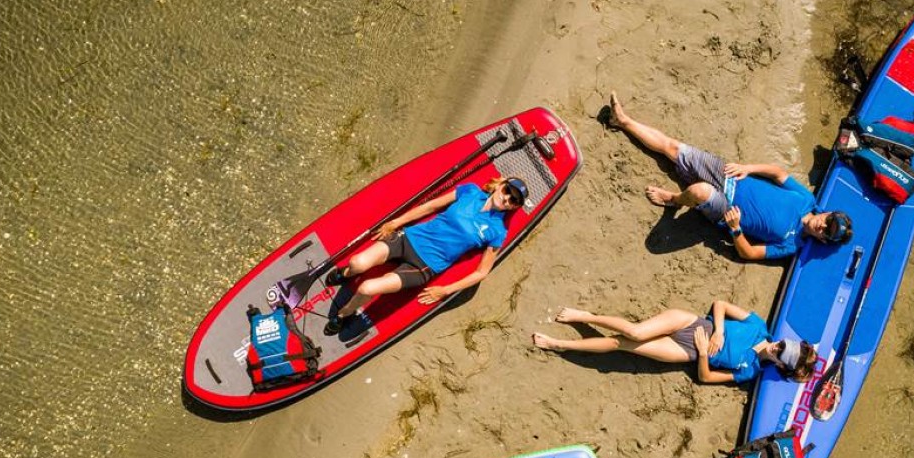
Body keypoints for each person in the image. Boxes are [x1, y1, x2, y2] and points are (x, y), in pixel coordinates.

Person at [606, 92, 852, 260]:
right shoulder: (806, 200)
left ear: (822, 240)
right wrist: (748, 168)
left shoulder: (791, 244)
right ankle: (623, 121)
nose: (822, 226)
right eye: (828, 220)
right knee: (674, 148)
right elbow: (779, 174)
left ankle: (674, 200)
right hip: (732, 176)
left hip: (726, 209)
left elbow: (749, 254)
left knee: (698, 191)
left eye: (826, 232)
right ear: (827, 212)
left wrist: (735, 229)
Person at [324, 176, 528, 339]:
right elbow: (431, 207)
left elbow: (482, 272)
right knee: (356, 263)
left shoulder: (498, 231)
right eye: (507, 191)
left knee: (367, 288)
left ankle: (344, 314)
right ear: (500, 185)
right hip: (409, 238)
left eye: (513, 201)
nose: (507, 198)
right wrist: (397, 222)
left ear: (514, 207)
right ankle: (346, 273)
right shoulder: (470, 191)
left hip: (424, 266)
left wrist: (445, 291)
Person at [531, 300, 816, 386]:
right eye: (782, 343)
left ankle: (559, 344)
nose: (777, 346)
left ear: (780, 364)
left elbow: (705, 377)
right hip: (692, 324)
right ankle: (587, 315)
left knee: (622, 345)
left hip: (688, 351)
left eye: (781, 353)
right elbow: (720, 304)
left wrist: (704, 352)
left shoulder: (749, 371)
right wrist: (717, 331)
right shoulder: (758, 327)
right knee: (636, 332)